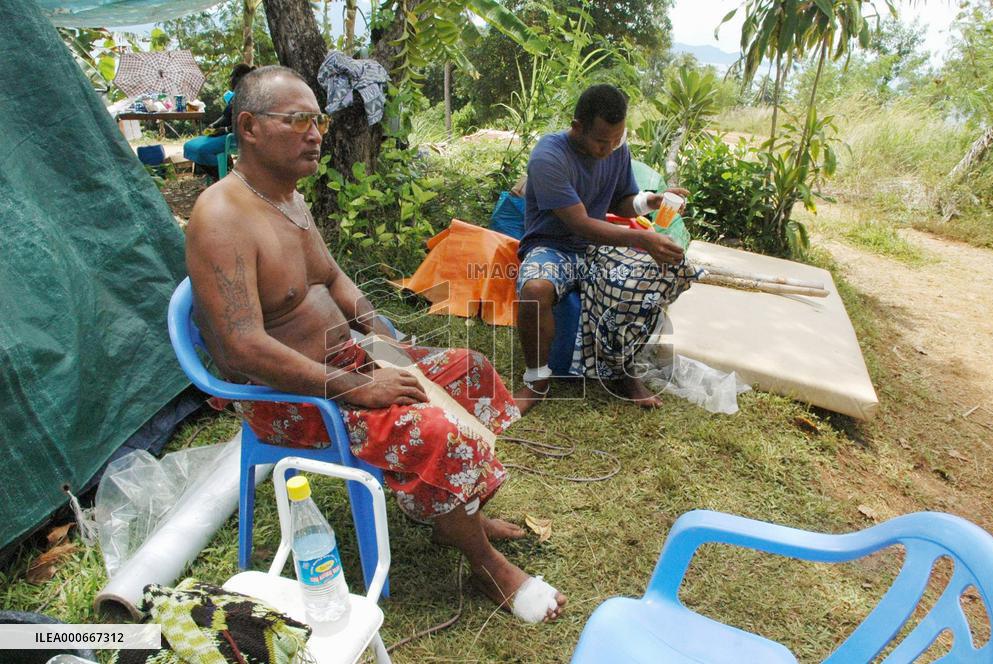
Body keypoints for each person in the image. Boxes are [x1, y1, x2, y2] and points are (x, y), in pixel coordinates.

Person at [185, 65, 565, 623]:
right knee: (434, 428)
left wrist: (378, 330)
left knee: (470, 369)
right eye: (298, 121)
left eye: (318, 119)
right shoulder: (221, 218)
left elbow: (334, 281)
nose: (316, 133)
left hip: (350, 360)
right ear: (249, 126)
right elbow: (240, 349)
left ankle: (454, 510)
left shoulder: (288, 199)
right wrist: (356, 388)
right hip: (293, 398)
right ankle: (486, 564)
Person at [514, 84, 699, 414]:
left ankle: (623, 373)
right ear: (577, 127)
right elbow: (580, 223)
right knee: (535, 288)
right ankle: (537, 380)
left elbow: (622, 203)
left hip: (597, 248)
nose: (609, 148)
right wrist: (641, 240)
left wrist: (650, 201)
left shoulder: (616, 150)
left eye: (617, 140)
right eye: (601, 141)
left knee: (645, 280)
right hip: (552, 246)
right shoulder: (549, 156)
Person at [183, 64, 255, 179]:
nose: (230, 81)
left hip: (237, 137)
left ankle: (223, 178)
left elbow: (249, 125)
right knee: (190, 146)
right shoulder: (235, 97)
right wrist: (215, 125)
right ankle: (218, 176)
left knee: (202, 150)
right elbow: (225, 116)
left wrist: (225, 130)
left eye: (232, 78)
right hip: (225, 134)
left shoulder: (252, 99)